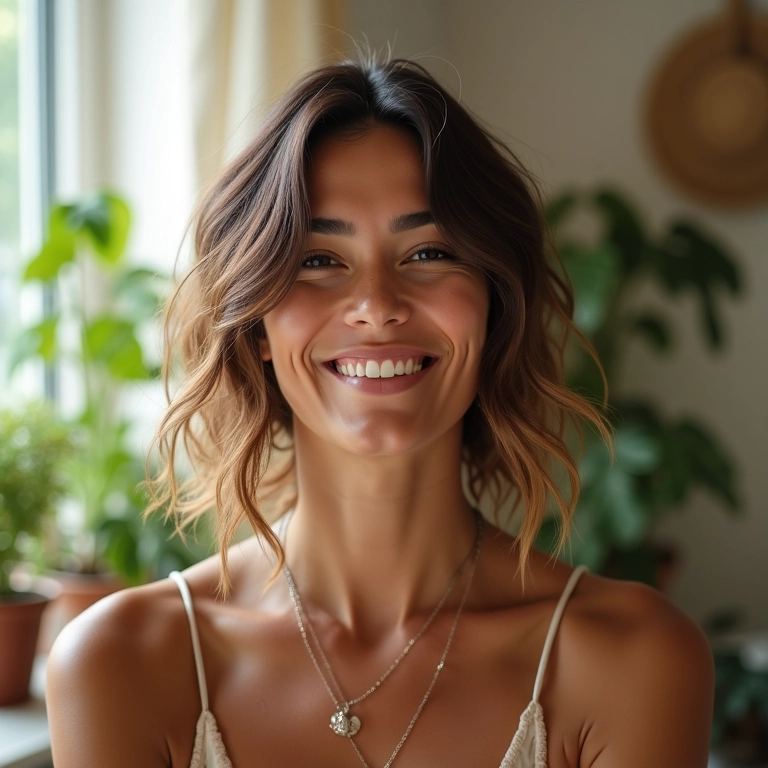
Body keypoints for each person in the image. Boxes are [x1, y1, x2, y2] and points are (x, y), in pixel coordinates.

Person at [46, 55, 714, 767]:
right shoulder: (123, 664)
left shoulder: (631, 660)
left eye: (427, 251)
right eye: (318, 260)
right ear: (257, 328)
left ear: (494, 307)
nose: (377, 305)